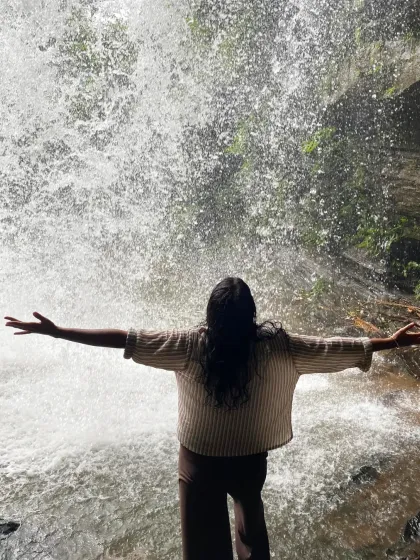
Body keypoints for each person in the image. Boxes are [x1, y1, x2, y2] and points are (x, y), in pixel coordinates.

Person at [4, 276, 420, 560]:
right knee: (251, 533)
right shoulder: (278, 347)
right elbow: (335, 348)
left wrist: (58, 332)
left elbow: (124, 340)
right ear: (252, 316)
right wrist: (390, 342)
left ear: (210, 316)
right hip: (250, 460)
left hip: (199, 463)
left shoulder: (187, 346)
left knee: (204, 550)